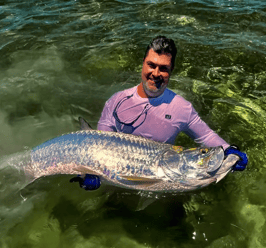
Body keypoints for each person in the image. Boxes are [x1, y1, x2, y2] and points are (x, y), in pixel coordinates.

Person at [71, 36, 247, 190]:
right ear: (143, 63)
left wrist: (229, 150)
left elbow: (206, 136)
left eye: (163, 68)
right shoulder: (116, 101)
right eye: (151, 65)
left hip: (165, 176)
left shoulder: (181, 108)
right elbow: (100, 144)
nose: (156, 73)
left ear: (171, 71)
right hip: (119, 179)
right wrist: (90, 173)